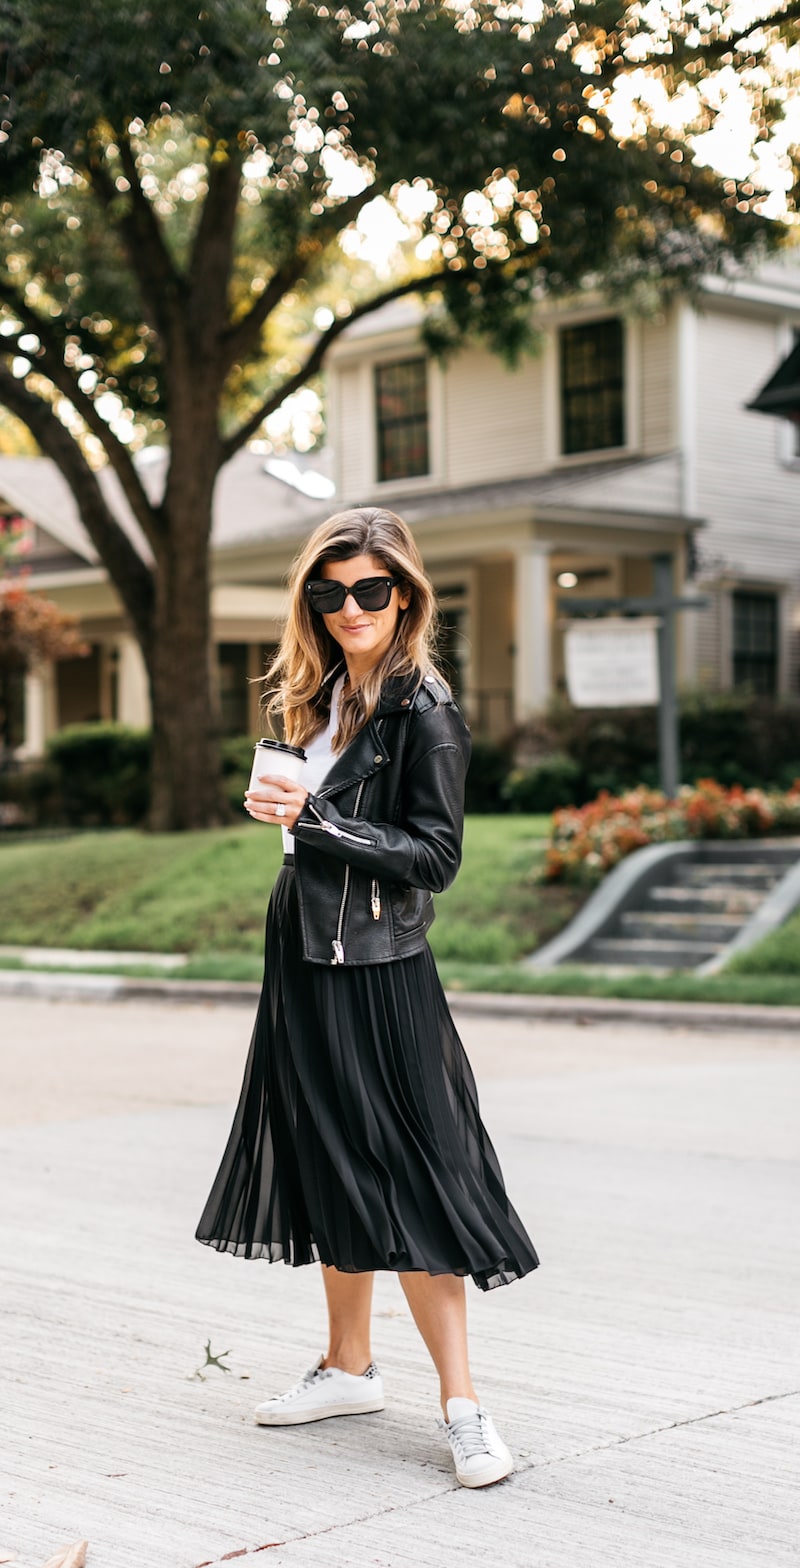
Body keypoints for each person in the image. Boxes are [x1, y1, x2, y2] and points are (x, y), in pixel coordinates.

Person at [194, 506, 539, 1488]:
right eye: (330, 590)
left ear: (405, 596)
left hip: (383, 971)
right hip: (305, 956)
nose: (351, 606)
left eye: (371, 590)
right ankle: (349, 1366)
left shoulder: (425, 709)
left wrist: (321, 819)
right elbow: (309, 830)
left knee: (417, 1177)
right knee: (328, 1156)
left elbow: (436, 857)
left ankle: (465, 1408)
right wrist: (286, 810)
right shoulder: (320, 696)